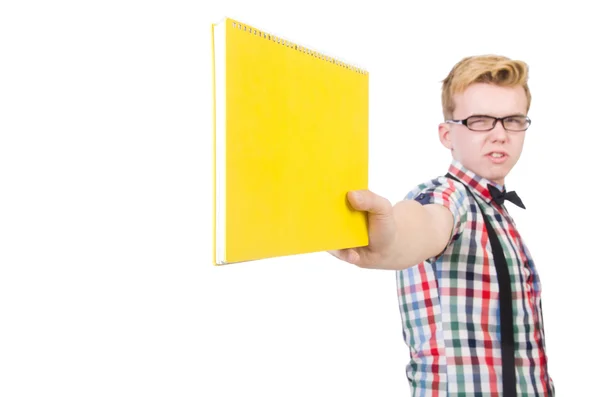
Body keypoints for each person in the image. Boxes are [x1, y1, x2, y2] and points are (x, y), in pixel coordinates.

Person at [330, 54, 554, 396]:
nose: (499, 134)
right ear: (447, 134)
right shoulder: (448, 196)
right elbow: (423, 223)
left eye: (512, 120)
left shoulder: (497, 211)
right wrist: (387, 240)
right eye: (480, 121)